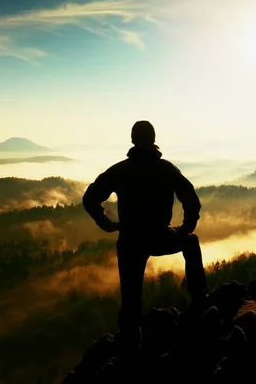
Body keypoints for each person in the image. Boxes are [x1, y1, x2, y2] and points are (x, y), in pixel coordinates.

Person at [82, 120, 208, 348]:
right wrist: (186, 227)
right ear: (153, 139)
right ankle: (199, 301)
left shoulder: (120, 170)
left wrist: (107, 224)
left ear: (132, 140)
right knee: (190, 242)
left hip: (130, 241)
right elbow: (191, 199)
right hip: (160, 237)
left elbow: (89, 198)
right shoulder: (166, 169)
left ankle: (131, 352)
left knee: (130, 302)